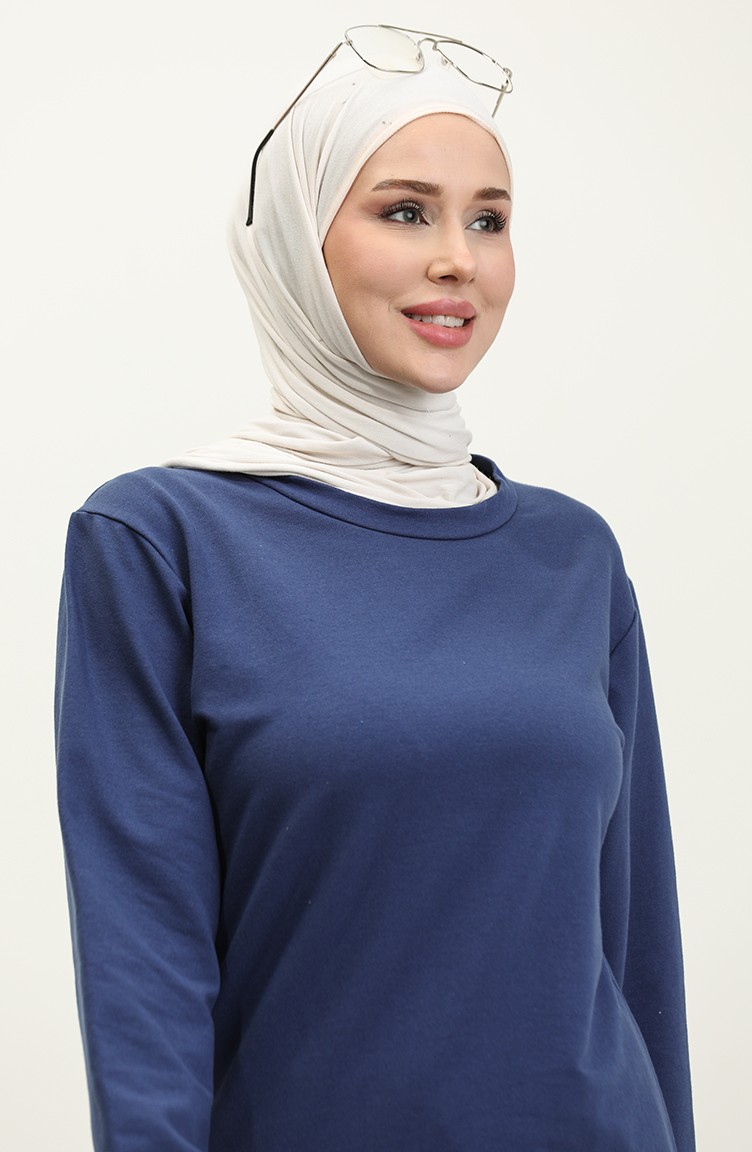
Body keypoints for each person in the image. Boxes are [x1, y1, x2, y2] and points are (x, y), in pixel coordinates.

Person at [55, 25, 695, 1152]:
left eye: (488, 220)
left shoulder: (573, 556)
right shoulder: (161, 541)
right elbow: (141, 963)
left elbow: (635, 945)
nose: (458, 260)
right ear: (299, 243)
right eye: (405, 212)